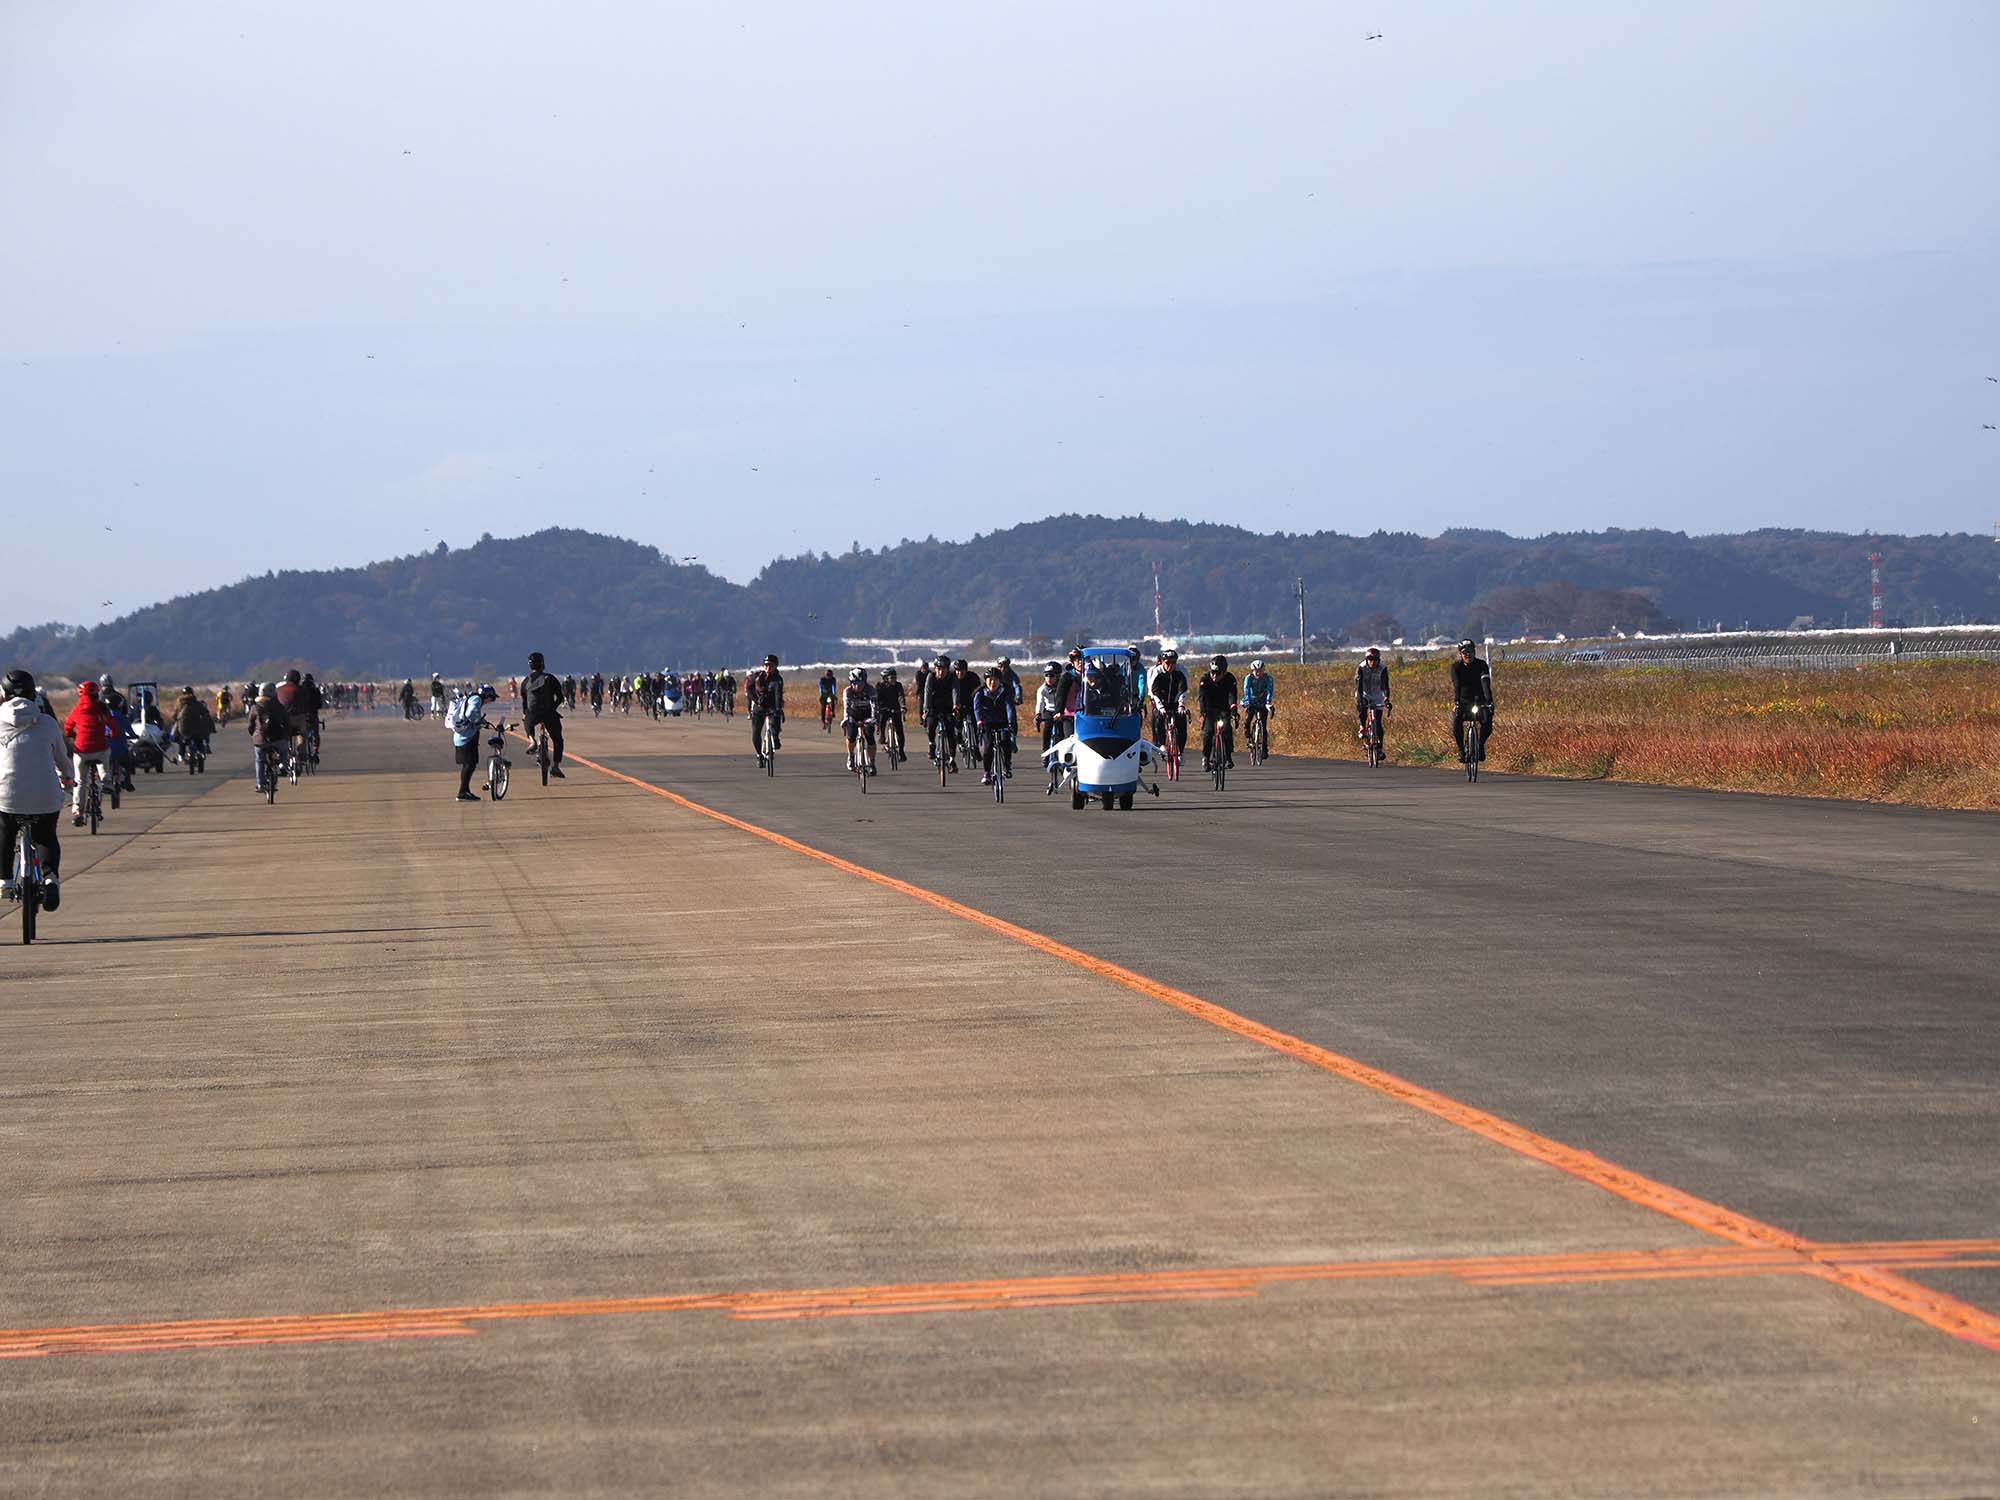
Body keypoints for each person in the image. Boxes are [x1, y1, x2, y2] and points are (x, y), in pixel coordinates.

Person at [1, 669, 70, 911]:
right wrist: (69, 778)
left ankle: (5, 882)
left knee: (5, 830)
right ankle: (50, 878)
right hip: (45, 796)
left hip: (7, 795)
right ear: (33, 695)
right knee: (46, 835)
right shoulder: (48, 723)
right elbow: (62, 759)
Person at [448, 683, 499, 801]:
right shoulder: (476, 699)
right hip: (466, 737)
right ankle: (462, 792)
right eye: (492, 698)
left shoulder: (473, 698)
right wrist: (478, 722)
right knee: (469, 765)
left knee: (469, 765)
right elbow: (470, 714)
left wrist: (481, 721)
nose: (491, 701)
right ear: (488, 696)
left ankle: (465, 791)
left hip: (463, 736)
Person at [968, 667, 1017, 785]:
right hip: (986, 723)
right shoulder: (980, 693)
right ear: (985, 681)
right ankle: (987, 773)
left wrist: (1011, 723)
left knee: (1006, 741)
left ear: (1000, 681)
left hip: (1002, 721)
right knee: (988, 746)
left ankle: (1007, 764)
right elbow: (977, 709)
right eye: (989, 679)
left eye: (995, 679)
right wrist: (979, 722)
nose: (992, 682)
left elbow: (1010, 708)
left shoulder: (1005, 692)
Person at [521, 652, 567, 777]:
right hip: (549, 713)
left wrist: (525, 714)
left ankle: (532, 740)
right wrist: (553, 708)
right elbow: (560, 697)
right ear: (543, 664)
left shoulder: (525, 681)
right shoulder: (550, 678)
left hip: (533, 714)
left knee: (527, 721)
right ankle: (556, 767)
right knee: (558, 740)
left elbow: (525, 702)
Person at [1449, 639, 1495, 762]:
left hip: (1479, 701)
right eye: (1464, 653)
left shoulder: (1481, 665)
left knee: (1488, 722)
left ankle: (1480, 745)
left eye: (1470, 652)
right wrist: (1457, 702)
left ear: (1474, 652)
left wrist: (1489, 701)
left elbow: (1486, 684)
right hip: (1463, 701)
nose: (1468, 655)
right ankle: (1461, 751)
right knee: (1456, 722)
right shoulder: (1456, 667)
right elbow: (1456, 685)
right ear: (1460, 654)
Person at [246, 683, 291, 792]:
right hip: (277, 738)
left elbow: (250, 726)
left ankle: (260, 784)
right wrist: (286, 735)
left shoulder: (255, 708)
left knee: (259, 760)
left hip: (260, 740)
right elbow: (287, 723)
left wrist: (254, 735)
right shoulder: (279, 706)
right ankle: (283, 765)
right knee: (284, 751)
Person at [1197, 654, 1238, 771]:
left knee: (1226, 729)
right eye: (1212, 673)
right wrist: (1203, 712)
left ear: (1224, 672)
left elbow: (1232, 695)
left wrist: (1234, 709)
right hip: (1209, 708)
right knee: (1208, 732)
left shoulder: (1230, 679)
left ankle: (1228, 755)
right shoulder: (1205, 679)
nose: (1214, 676)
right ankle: (1206, 757)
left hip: (1224, 708)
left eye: (1218, 673)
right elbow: (1202, 697)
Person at [1148, 649, 1189, 757]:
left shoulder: (1181, 671)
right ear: (1162, 662)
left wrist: (1181, 705)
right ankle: (1161, 744)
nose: (1170, 666)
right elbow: (1154, 691)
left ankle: (1180, 751)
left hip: (1175, 702)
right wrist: (1160, 707)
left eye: (1173, 663)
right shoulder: (1157, 671)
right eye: (1167, 663)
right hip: (1161, 700)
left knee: (1182, 722)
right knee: (1158, 717)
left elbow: (1183, 689)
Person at [746, 654, 785, 765]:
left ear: (775, 666)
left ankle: (775, 738)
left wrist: (778, 708)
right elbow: (749, 689)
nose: (768, 667)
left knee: (775, 723)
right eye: (766, 665)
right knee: (755, 734)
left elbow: (778, 694)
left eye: (770, 665)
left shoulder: (778, 679)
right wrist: (755, 700)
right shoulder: (758, 676)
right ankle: (759, 755)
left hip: (772, 706)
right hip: (759, 707)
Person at [839, 668, 877, 774]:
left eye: (860, 683)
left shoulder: (871, 690)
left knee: (870, 737)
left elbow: (874, 707)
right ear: (851, 683)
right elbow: (846, 708)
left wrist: (874, 719)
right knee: (851, 737)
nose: (857, 686)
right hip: (853, 714)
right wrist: (846, 719)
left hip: (867, 714)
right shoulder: (848, 691)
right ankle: (851, 756)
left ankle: (872, 763)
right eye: (855, 683)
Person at [1354, 647, 1391, 746]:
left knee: (1378, 723)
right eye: (1370, 659)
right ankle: (1362, 726)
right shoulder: (1361, 668)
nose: (1372, 662)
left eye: (1375, 660)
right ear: (1366, 660)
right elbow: (1359, 686)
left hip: (1377, 695)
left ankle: (1380, 748)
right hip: (1364, 693)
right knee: (1362, 709)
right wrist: (1360, 699)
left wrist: (1386, 698)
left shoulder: (1382, 668)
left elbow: (1385, 685)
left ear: (1378, 660)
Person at [171, 686, 215, 763]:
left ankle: (181, 754)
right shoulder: (197, 704)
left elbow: (174, 717)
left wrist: (178, 721)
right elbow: (206, 715)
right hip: (197, 729)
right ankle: (201, 753)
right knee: (199, 741)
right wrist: (210, 727)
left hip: (183, 730)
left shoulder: (179, 705)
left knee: (182, 740)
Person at [1241, 659, 1276, 754]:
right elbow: (1246, 690)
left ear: (1263, 670)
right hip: (1251, 701)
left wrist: (1268, 701)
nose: (1258, 673)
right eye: (1256, 671)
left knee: (1263, 726)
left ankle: (1264, 749)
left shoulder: (1268, 678)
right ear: (1252, 671)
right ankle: (1248, 735)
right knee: (1248, 719)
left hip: (1263, 702)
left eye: (1260, 670)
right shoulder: (1249, 678)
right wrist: (1247, 701)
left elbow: (1270, 690)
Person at [874, 667, 907, 764]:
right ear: (885, 678)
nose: (893, 679)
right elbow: (876, 699)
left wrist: (903, 706)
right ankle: (883, 736)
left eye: (894, 677)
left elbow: (901, 696)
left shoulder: (898, 685)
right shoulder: (880, 686)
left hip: (895, 709)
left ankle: (901, 751)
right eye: (891, 677)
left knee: (900, 731)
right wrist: (877, 708)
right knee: (882, 718)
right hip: (884, 709)